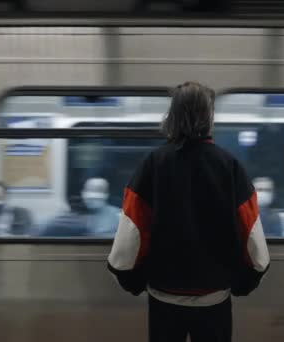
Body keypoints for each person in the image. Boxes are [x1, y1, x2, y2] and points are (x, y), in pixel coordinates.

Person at [107, 81, 270, 342]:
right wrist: (243, 284)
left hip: (164, 299)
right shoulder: (230, 166)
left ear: (172, 116)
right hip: (214, 300)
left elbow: (130, 235)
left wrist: (133, 281)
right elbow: (254, 244)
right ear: (210, 118)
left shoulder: (153, 164)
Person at [37, 178, 119, 237]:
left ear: (107, 195)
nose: (92, 201)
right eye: (90, 197)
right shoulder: (74, 215)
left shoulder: (117, 216)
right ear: (83, 194)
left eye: (96, 197)